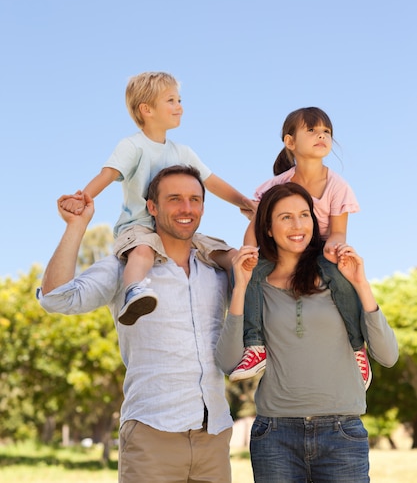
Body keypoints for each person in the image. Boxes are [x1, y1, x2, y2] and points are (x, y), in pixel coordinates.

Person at [38, 165, 236, 483]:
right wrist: (76, 227)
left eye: (194, 200)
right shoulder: (127, 266)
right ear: (152, 207)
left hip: (214, 435)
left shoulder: (216, 270)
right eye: (174, 199)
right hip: (151, 435)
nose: (187, 208)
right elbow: (56, 298)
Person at [216, 182, 399, 483]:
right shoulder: (256, 284)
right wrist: (241, 286)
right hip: (275, 436)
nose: (298, 224)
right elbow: (227, 362)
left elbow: (388, 356)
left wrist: (361, 284)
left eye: (304, 215)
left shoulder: (338, 275)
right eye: (285, 217)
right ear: (269, 228)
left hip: (342, 435)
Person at [60, 71, 255, 325]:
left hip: (175, 230)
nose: (180, 107)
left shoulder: (182, 152)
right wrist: (83, 198)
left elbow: (213, 182)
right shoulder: (133, 146)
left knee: (222, 251)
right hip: (138, 227)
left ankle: (247, 295)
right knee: (142, 252)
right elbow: (107, 175)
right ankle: (134, 292)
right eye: (171, 101)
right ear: (147, 109)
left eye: (180, 100)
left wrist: (246, 203)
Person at [229, 106, 369, 386]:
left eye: (326, 132)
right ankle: (256, 346)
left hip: (320, 249)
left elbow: (339, 231)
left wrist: (334, 248)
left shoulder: (337, 185)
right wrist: (248, 254)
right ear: (290, 142)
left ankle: (357, 348)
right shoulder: (276, 185)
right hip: (282, 249)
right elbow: (256, 227)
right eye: (312, 130)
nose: (322, 136)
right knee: (251, 273)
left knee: (340, 278)